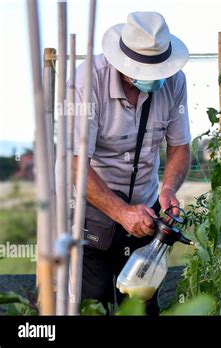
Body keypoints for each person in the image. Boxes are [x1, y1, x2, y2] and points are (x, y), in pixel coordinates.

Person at [71, 12, 191, 315]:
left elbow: (179, 147)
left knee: (140, 300)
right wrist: (121, 212)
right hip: (90, 212)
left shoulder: (174, 81)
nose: (154, 78)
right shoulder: (88, 82)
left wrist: (168, 190)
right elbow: (75, 164)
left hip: (144, 212)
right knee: (93, 303)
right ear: (124, 66)